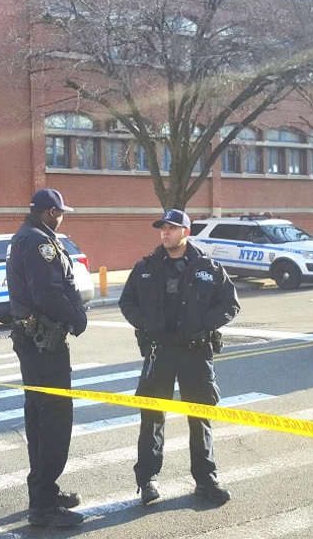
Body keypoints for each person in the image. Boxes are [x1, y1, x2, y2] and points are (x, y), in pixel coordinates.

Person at [118, 209, 240, 507]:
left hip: (195, 352)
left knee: (200, 416)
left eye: (172, 228)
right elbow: (127, 302)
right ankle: (147, 480)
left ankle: (206, 480)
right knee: (151, 415)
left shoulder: (207, 268)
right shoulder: (146, 267)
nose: (165, 232)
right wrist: (146, 325)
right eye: (162, 228)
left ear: (186, 232)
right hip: (159, 351)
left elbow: (230, 304)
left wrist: (203, 326)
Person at [6, 188, 88, 528]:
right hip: (45, 344)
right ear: (51, 212)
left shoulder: (24, 237)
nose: (62, 216)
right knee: (53, 419)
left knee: (40, 417)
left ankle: (44, 491)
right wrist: (76, 316)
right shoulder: (40, 243)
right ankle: (43, 507)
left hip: (34, 343)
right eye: (60, 211)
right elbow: (48, 294)